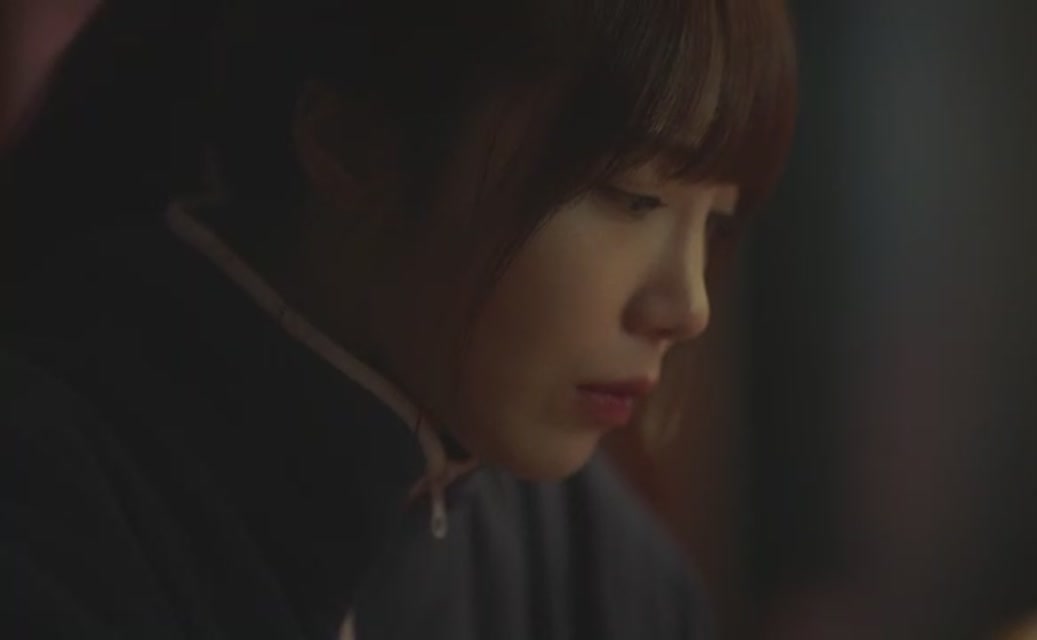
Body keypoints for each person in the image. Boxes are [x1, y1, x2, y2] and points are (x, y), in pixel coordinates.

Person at [0, 0, 796, 637]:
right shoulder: (52, 509)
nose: (689, 307)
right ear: (351, 145)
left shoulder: (597, 564)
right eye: (633, 196)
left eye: (717, 223)